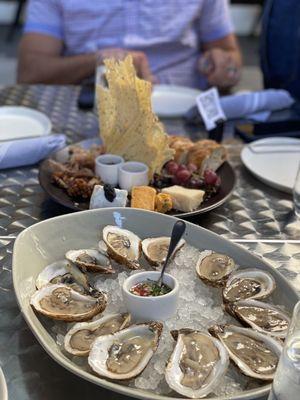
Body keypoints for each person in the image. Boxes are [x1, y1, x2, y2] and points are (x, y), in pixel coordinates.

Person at [17, 0, 242, 90]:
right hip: (93, 109)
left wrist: (225, 67)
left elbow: (230, 54)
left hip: (187, 109)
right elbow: (30, 72)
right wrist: (98, 61)